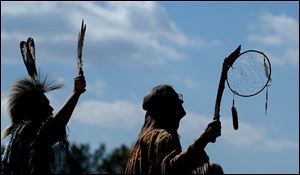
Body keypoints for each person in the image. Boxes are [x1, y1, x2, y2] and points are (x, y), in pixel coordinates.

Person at [1, 37, 86, 174]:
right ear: (32, 110)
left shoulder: (17, 141)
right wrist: (76, 93)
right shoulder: (27, 131)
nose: (51, 109)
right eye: (45, 105)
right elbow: (55, 126)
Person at [125, 85, 223, 174]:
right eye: (176, 98)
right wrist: (204, 138)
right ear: (166, 108)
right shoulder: (164, 137)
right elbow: (173, 168)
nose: (181, 101)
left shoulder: (142, 143)